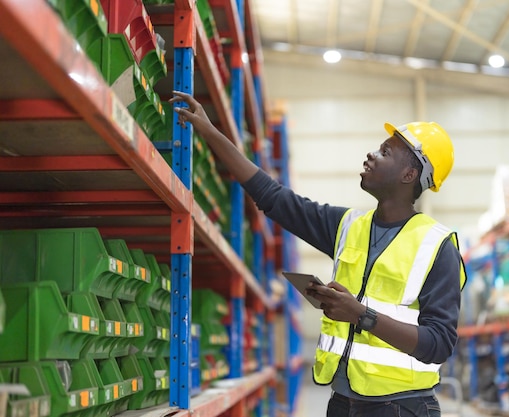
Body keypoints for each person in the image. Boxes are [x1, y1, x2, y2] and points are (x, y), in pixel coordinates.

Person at [170, 91, 467, 417]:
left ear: (408, 175)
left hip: (403, 407)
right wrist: (211, 131)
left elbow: (438, 345)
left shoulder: (438, 248)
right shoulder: (349, 225)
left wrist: (360, 314)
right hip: (342, 403)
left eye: (384, 152)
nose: (370, 154)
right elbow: (273, 197)